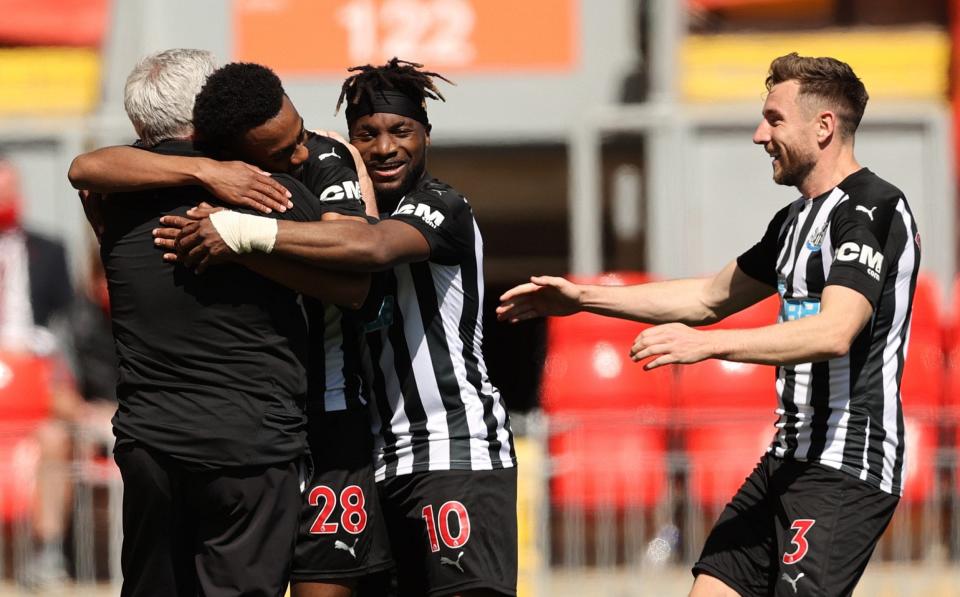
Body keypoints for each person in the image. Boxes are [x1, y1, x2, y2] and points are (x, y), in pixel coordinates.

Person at [499, 53, 917, 597]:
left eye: (773, 119)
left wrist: (707, 347)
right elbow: (706, 297)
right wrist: (583, 299)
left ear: (824, 127)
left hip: (844, 466)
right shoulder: (792, 223)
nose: (757, 135)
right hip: (786, 459)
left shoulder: (873, 209)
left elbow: (834, 331)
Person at [155, 58, 518, 597]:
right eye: (366, 135)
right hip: (374, 457)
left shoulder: (443, 205)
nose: (386, 148)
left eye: (401, 131)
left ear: (426, 134)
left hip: (454, 450)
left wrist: (241, 233)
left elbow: (369, 250)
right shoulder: (335, 203)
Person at [68, 51, 371, 596]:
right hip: (249, 450)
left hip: (150, 447)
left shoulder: (111, 198)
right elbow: (353, 282)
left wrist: (234, 239)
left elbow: (85, 169)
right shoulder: (265, 192)